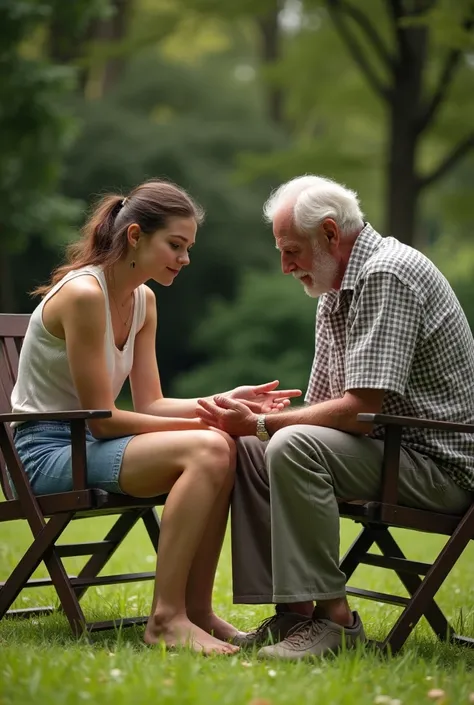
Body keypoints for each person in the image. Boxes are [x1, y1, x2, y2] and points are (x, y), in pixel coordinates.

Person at [10, 178, 301, 655]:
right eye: (175, 245)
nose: (184, 259)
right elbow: (102, 419)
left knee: (223, 445)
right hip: (42, 454)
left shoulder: (143, 299)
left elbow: (150, 404)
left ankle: (197, 611)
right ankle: (166, 619)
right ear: (134, 236)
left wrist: (226, 400)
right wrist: (205, 425)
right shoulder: (85, 295)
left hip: (88, 445)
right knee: (211, 444)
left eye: (188, 248)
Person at [196, 174, 474, 661]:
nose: (285, 267)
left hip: (444, 467)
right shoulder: (333, 289)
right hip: (390, 451)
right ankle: (295, 616)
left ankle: (336, 623)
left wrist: (267, 425)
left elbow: (361, 409)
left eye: (291, 250)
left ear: (329, 233)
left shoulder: (388, 273)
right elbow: (328, 404)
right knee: (254, 448)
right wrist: (263, 421)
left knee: (287, 444)